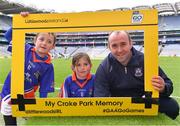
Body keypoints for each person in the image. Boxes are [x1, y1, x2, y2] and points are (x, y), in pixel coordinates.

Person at [94, 31, 179, 120]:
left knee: (172, 107)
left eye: (123, 44)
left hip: (143, 101)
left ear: (131, 44)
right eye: (114, 46)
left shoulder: (145, 61)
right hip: (117, 104)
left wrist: (163, 87)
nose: (119, 50)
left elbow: (168, 85)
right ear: (109, 48)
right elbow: (100, 97)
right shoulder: (104, 67)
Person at [0, 12, 56, 125]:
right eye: (41, 39)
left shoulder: (48, 66)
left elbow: (44, 88)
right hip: (11, 87)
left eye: (49, 41)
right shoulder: (25, 48)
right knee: (7, 108)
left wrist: (43, 107)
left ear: (53, 46)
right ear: (35, 41)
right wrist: (21, 21)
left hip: (28, 93)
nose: (44, 43)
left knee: (30, 116)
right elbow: (8, 36)